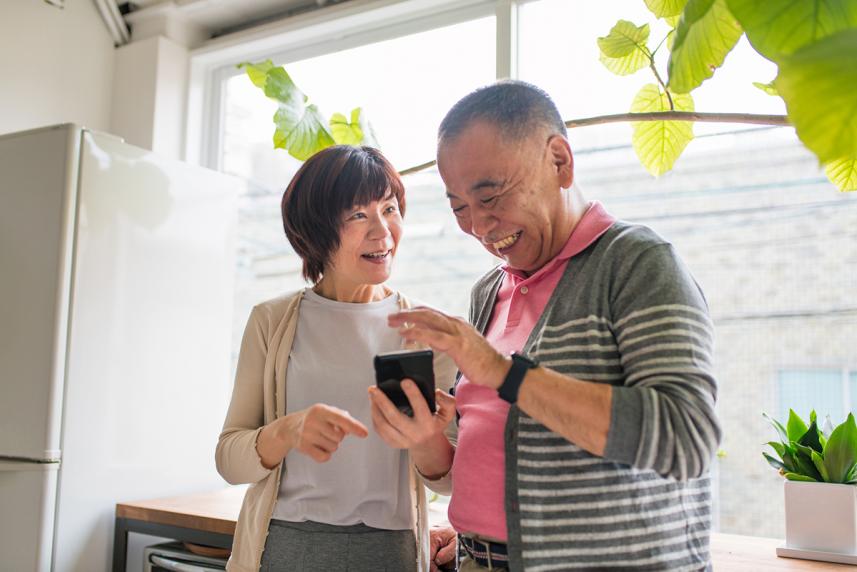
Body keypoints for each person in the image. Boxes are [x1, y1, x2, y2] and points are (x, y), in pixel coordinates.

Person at [369, 81, 722, 571]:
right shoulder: (489, 291)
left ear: (560, 161)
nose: (479, 226)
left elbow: (688, 439)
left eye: (490, 196)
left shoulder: (638, 263)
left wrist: (503, 372)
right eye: (459, 208)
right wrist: (426, 438)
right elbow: (473, 467)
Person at [216, 145, 457, 572]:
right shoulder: (272, 322)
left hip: (391, 551)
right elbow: (229, 460)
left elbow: (449, 478)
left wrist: (423, 436)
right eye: (358, 216)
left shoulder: (425, 330)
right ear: (316, 231)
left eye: (390, 209)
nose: (382, 232)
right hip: (285, 546)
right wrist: (287, 431)